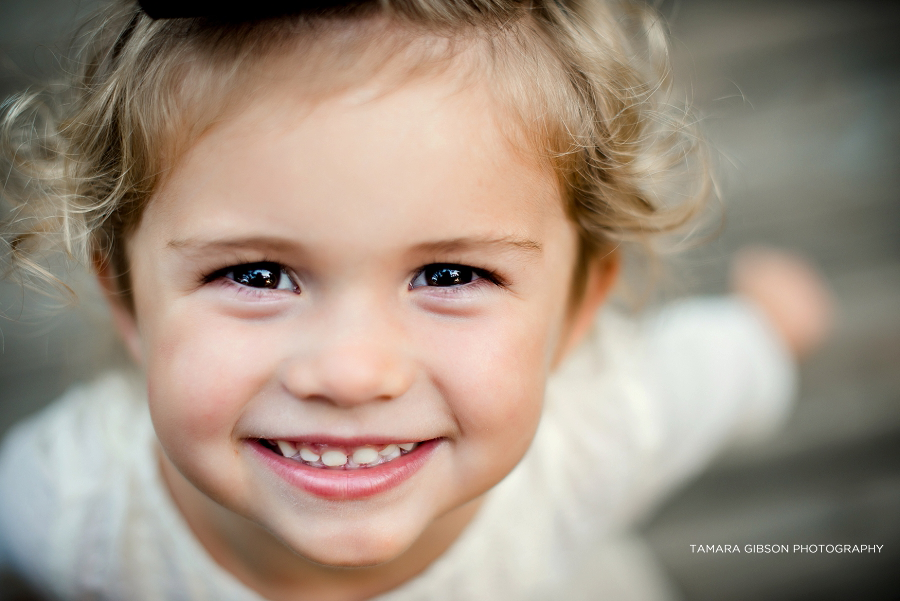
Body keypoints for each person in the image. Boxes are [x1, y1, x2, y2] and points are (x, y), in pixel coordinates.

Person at [0, 0, 832, 599]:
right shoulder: (66, 508)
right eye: (255, 275)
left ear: (580, 310)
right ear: (129, 300)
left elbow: (722, 365)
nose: (353, 373)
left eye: (449, 275)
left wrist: (773, 322)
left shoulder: (604, 430)